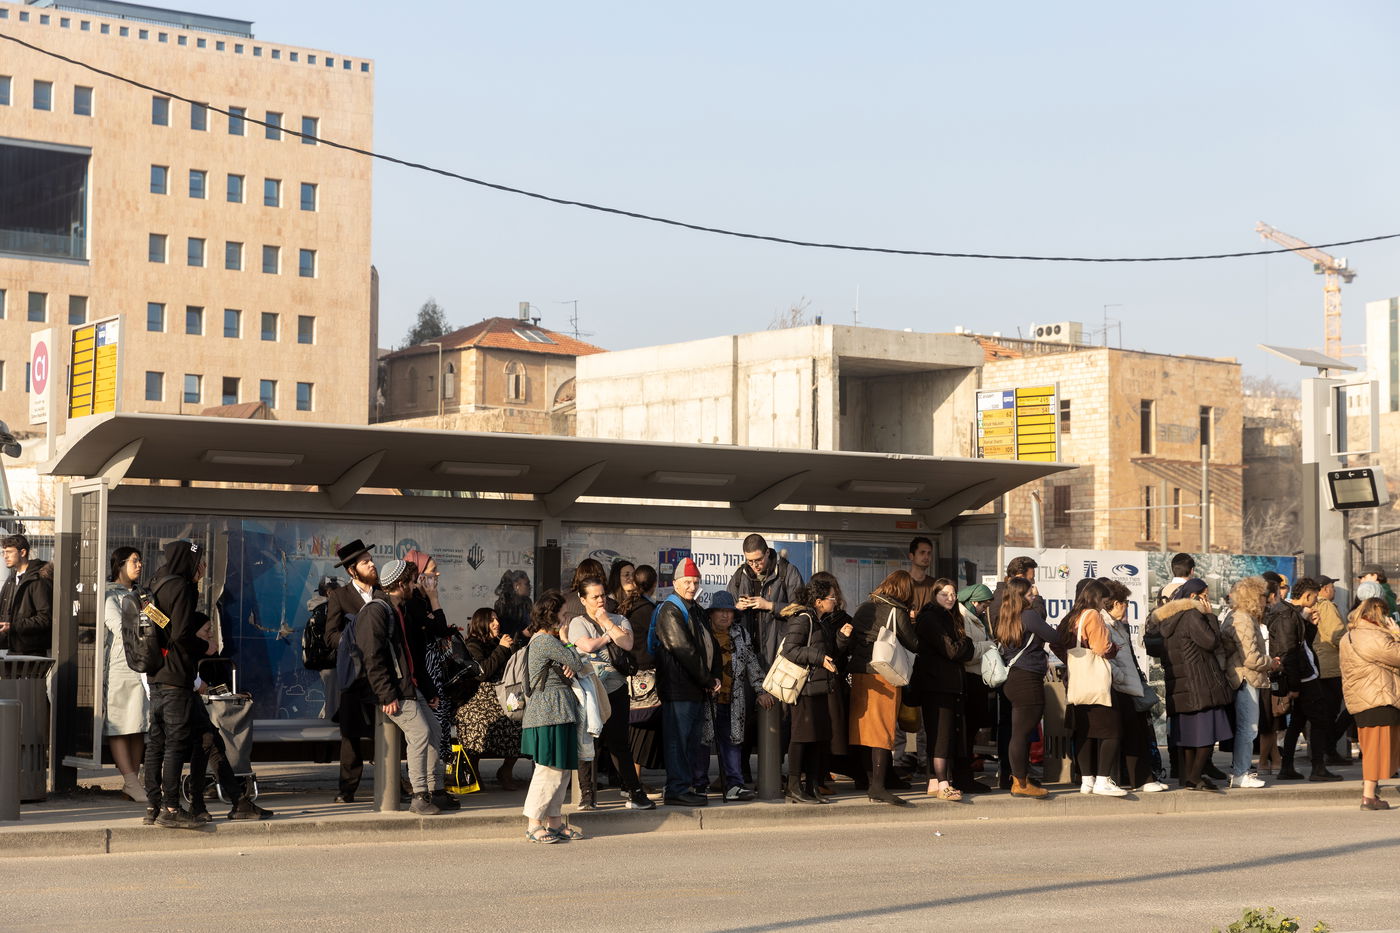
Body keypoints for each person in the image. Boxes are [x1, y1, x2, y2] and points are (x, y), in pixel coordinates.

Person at [356, 558, 454, 815]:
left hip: (411, 686)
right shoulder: (376, 611)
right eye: (411, 581)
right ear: (401, 584)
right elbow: (373, 658)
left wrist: (430, 690)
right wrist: (387, 694)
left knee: (434, 730)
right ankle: (419, 795)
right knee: (420, 734)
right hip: (395, 690)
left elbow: (413, 654)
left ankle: (434, 790)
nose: (415, 585)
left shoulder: (400, 609)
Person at [567, 575, 654, 810]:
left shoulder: (619, 619)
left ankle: (634, 792)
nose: (600, 600)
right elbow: (585, 646)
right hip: (589, 690)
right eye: (594, 597)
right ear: (582, 599)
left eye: (603, 595)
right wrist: (608, 637)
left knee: (619, 743)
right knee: (587, 742)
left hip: (616, 689)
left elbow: (626, 643)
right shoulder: (578, 622)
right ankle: (587, 794)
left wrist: (606, 622)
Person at [142, 540, 208, 829]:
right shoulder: (182, 587)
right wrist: (203, 645)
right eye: (200, 562)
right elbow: (181, 633)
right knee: (175, 744)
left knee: (156, 742)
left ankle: (152, 806)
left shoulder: (157, 582)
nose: (202, 568)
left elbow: (162, 624)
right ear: (189, 562)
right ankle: (171, 807)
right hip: (175, 675)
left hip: (155, 674)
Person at [519, 590, 593, 843]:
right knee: (548, 769)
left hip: (556, 711)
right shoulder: (545, 642)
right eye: (562, 614)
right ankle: (533, 823)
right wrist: (566, 640)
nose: (565, 619)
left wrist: (568, 652)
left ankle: (555, 823)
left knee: (559, 770)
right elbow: (577, 661)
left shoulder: (544, 642)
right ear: (551, 616)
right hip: (548, 713)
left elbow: (574, 663)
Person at [1147, 578, 1232, 791]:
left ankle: (1188, 777)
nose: (1207, 600)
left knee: (1188, 736)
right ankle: (1195, 777)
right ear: (1194, 597)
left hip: (1180, 685)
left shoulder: (1171, 617)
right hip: (1200, 683)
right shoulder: (1193, 615)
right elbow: (1211, 641)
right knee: (1206, 734)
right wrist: (1211, 616)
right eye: (1204, 595)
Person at [186, 612, 272, 821]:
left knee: (213, 744)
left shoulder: (211, 653)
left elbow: (221, 680)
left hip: (202, 707)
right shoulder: (190, 652)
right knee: (209, 743)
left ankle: (235, 801)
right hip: (189, 705)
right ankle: (195, 803)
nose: (210, 635)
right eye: (206, 631)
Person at [847, 570, 919, 807]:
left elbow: (854, 637)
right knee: (882, 733)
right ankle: (878, 787)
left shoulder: (865, 606)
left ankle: (873, 782)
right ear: (904, 590)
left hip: (859, 672)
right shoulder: (896, 610)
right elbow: (913, 643)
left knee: (867, 732)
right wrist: (913, 621)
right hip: (883, 674)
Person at [654, 558, 720, 806]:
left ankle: (685, 785)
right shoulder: (670, 610)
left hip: (694, 686)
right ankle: (676, 789)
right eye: (687, 582)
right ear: (675, 583)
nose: (692, 586)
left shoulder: (695, 609)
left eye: (695, 582)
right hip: (679, 686)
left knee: (690, 741)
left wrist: (712, 676)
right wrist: (707, 678)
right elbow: (683, 649)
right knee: (678, 741)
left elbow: (709, 643)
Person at [778, 580, 850, 804]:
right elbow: (790, 650)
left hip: (819, 687)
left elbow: (829, 653)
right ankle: (793, 786)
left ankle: (811, 785)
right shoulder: (803, 619)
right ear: (819, 601)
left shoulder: (821, 622)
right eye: (831, 597)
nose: (835, 601)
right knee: (800, 738)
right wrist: (818, 658)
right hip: (804, 689)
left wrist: (841, 638)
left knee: (817, 739)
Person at [325, 538, 383, 804]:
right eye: (365, 562)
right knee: (350, 735)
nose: (372, 564)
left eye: (371, 560)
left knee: (387, 731)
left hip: (381, 675)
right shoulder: (340, 596)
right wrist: (353, 639)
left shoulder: (382, 593)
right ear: (351, 570)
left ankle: (394, 782)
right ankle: (347, 788)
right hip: (354, 675)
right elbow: (330, 636)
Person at [694, 590, 764, 802]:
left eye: (729, 612)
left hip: (733, 698)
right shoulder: (702, 632)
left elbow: (751, 662)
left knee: (732, 742)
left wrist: (760, 689)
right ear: (711, 614)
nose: (725, 616)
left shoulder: (740, 634)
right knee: (702, 742)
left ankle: (734, 785)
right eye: (720, 611)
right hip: (706, 698)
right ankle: (699, 786)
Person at [993, 575, 1059, 799]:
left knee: (1018, 732)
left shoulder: (1006, 615)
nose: (1033, 596)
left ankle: (1019, 780)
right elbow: (1053, 635)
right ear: (1022, 596)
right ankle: (1020, 782)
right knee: (1021, 734)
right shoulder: (1029, 614)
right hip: (1028, 679)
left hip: (1013, 678)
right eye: (1030, 593)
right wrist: (1040, 600)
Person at [1099, 580, 1168, 793]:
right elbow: (1105, 658)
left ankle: (1143, 778)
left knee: (1136, 734)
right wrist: (1120, 678)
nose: (1126, 606)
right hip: (1118, 687)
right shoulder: (1104, 624)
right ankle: (1138, 779)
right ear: (1115, 603)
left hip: (1128, 686)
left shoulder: (1118, 624)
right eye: (1124, 602)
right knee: (1128, 734)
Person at [1270, 578, 1341, 782]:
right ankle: (1318, 768)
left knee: (1298, 721)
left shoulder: (1292, 615)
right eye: (1315, 597)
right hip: (1305, 678)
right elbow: (1289, 652)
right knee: (1319, 720)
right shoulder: (1288, 615)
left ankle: (1288, 767)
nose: (1316, 601)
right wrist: (1293, 685)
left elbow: (1302, 645)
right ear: (1308, 595)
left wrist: (1310, 625)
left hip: (1303, 676)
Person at [1063, 580, 1128, 797]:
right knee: (1112, 731)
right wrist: (1114, 648)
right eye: (1104, 600)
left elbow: (1057, 642)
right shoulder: (1092, 614)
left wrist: (1071, 657)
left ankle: (1087, 780)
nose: (1105, 605)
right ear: (1096, 597)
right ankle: (1103, 779)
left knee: (1084, 731)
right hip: (1096, 683)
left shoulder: (1074, 615)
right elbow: (1101, 648)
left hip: (1078, 682)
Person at [910, 579, 972, 800]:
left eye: (953, 594)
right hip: (936, 684)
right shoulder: (931, 617)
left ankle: (934, 782)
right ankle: (944, 783)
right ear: (934, 595)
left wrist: (962, 645)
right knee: (941, 735)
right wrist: (967, 643)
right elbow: (952, 651)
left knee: (939, 733)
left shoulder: (946, 617)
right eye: (944, 594)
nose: (950, 597)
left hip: (944, 683)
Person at [1339, 597, 1400, 810]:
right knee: (1376, 750)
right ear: (1377, 613)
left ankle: (1370, 793)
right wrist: (1397, 634)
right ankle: (1368, 796)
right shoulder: (1373, 636)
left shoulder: (1350, 635)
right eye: (1385, 613)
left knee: (1372, 748)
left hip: (1363, 698)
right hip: (1378, 697)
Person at [454, 607, 523, 790]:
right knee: (479, 722)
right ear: (481, 623)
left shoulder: (500, 642)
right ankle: (474, 772)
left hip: (504, 694)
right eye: (491, 620)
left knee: (519, 720)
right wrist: (501, 649)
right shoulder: (473, 645)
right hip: (479, 697)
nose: (497, 623)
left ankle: (506, 771)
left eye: (497, 619)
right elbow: (482, 672)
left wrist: (511, 647)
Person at [1218, 576, 1278, 788]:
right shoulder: (1243, 619)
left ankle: (1240, 770)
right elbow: (1251, 658)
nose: (1266, 599)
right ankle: (1241, 772)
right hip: (1245, 678)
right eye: (1263, 595)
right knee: (1248, 728)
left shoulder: (1236, 616)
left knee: (1246, 727)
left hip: (1240, 676)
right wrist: (1270, 662)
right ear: (1253, 597)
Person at [102, 547, 148, 801]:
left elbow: (161, 623)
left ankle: (135, 780)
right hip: (120, 665)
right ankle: (130, 780)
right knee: (120, 723)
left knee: (139, 723)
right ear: (119, 564)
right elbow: (120, 628)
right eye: (134, 561)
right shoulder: (110, 595)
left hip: (143, 665)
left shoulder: (142, 594)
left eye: (140, 560)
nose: (139, 565)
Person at [400, 551, 454, 758]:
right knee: (428, 729)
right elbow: (439, 627)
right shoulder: (413, 602)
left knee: (438, 725)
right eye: (432, 572)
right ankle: (427, 780)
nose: (437, 575)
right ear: (418, 575)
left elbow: (438, 626)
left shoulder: (420, 601)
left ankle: (436, 778)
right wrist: (434, 599)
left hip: (432, 672)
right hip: (422, 674)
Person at [727, 533, 804, 664]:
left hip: (779, 652)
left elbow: (801, 609)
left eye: (758, 560)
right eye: (749, 561)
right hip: (747, 653)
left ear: (767, 552)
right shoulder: (740, 575)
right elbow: (725, 610)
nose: (754, 565)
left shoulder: (788, 572)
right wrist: (737, 607)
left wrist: (770, 606)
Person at [622, 564, 663, 786]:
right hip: (646, 676)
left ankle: (631, 781)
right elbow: (655, 644)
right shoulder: (651, 611)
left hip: (628, 676)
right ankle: (633, 783)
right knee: (642, 728)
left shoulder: (628, 607)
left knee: (633, 728)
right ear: (654, 584)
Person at [953, 583, 996, 793]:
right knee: (966, 733)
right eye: (984, 605)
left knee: (971, 731)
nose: (985, 609)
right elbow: (967, 653)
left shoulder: (974, 618)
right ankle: (963, 778)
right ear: (973, 602)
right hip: (968, 680)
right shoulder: (962, 618)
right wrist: (990, 646)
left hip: (977, 680)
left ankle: (966, 776)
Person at [1311, 575, 1353, 766]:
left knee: (1326, 712)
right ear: (1325, 589)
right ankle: (1329, 748)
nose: (1334, 591)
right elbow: (1337, 635)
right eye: (1332, 587)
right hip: (1331, 667)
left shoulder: (1312, 607)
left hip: (1318, 665)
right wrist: (1352, 647)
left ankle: (1327, 750)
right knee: (1349, 707)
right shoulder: (1326, 606)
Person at [0, 533, 53, 656]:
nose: (5, 556)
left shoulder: (38, 580)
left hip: (32, 651)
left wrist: (13, 626)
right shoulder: (12, 579)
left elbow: (45, 618)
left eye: (9, 552)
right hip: (13, 647)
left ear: (22, 553)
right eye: (3, 552)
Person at [989, 556, 1047, 625]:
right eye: (1031, 578)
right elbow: (1036, 622)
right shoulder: (1007, 598)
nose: (1033, 582)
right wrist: (1036, 597)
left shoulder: (1005, 594)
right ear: (1020, 577)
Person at [494, 569, 534, 640]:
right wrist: (522, 634)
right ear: (516, 586)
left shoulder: (527, 602)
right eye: (526, 584)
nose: (530, 587)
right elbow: (503, 632)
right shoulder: (503, 604)